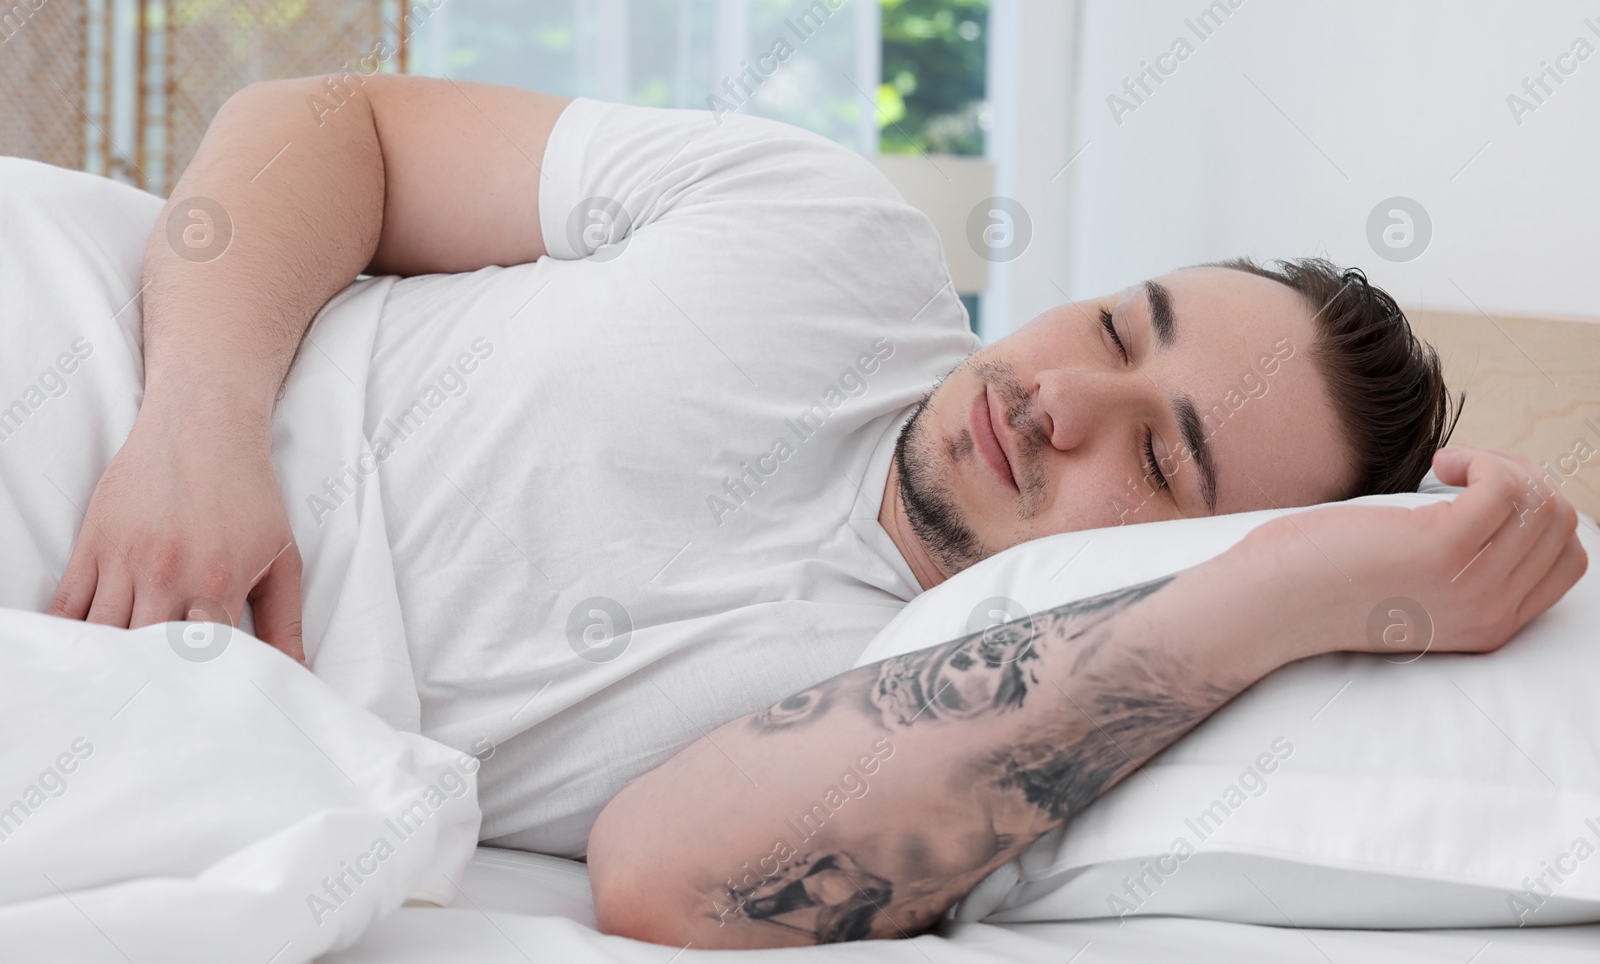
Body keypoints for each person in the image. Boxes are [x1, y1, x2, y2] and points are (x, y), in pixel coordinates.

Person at [41, 75, 1585, 947]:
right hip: (95, 363)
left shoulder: (952, 708)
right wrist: (200, 424)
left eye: (1165, 461)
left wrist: (1294, 590)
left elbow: (660, 877)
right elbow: (329, 127)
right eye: (1116, 328)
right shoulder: (825, 235)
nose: (1061, 397)